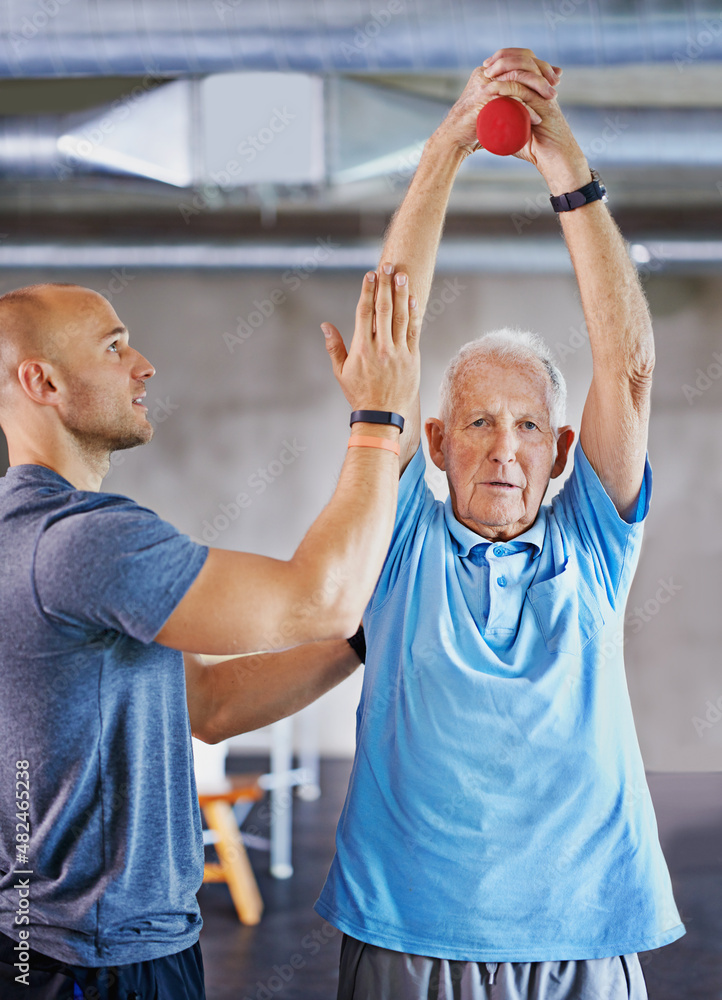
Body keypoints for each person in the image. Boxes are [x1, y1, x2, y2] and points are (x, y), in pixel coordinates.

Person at [315, 49, 685, 1000]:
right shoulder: (398, 541)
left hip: (586, 933)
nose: (504, 449)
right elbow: (390, 332)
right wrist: (448, 143)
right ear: (435, 441)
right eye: (478, 422)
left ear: (561, 451)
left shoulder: (592, 545)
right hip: (411, 930)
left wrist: (564, 166)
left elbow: (629, 365)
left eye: (527, 426)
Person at [0, 265, 418, 999]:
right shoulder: (82, 542)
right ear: (42, 383)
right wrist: (379, 417)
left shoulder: (26, 535)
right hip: (100, 964)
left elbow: (211, 704)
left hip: (71, 947)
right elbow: (318, 597)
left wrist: (359, 639)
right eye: (113, 346)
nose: (143, 364)